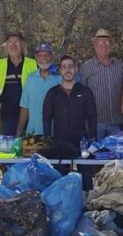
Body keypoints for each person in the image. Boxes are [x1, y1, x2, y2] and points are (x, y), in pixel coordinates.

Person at [42, 55, 97, 189]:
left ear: (76, 69)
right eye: (64, 67)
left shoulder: (85, 92)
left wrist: (92, 139)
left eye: (71, 67)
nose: (68, 70)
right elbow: (46, 117)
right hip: (60, 145)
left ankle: (86, 207)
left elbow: (92, 117)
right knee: (60, 183)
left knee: (86, 183)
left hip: (82, 145)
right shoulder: (53, 93)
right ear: (60, 70)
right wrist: (49, 140)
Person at [80, 29, 123, 139]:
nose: (104, 44)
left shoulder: (119, 66)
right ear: (94, 44)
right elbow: (81, 97)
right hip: (96, 124)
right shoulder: (87, 67)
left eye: (107, 41)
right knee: (96, 155)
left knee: (117, 155)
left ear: (111, 45)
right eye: (100, 41)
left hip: (117, 123)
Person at [0, 31, 37, 136]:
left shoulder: (33, 64)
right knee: (7, 150)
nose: (13, 45)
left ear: (23, 45)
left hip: (30, 117)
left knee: (29, 149)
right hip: (6, 118)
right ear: (6, 46)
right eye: (10, 42)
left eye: (16, 42)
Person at [16, 42, 62, 136]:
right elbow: (25, 107)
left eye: (47, 55)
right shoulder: (30, 78)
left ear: (52, 57)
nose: (44, 58)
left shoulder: (60, 79)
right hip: (32, 135)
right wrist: (19, 131)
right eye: (40, 55)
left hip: (55, 134)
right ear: (36, 57)